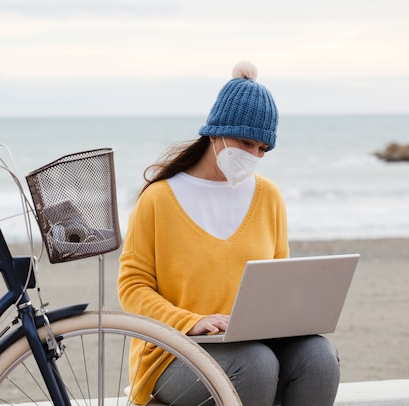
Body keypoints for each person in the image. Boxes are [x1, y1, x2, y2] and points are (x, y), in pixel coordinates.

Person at [117, 61, 341, 405]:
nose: (253, 155)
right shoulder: (158, 198)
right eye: (246, 142)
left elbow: (279, 281)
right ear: (215, 131)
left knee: (319, 357)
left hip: (257, 344)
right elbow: (132, 288)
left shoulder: (269, 197)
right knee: (254, 364)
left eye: (262, 149)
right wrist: (190, 321)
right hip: (174, 352)